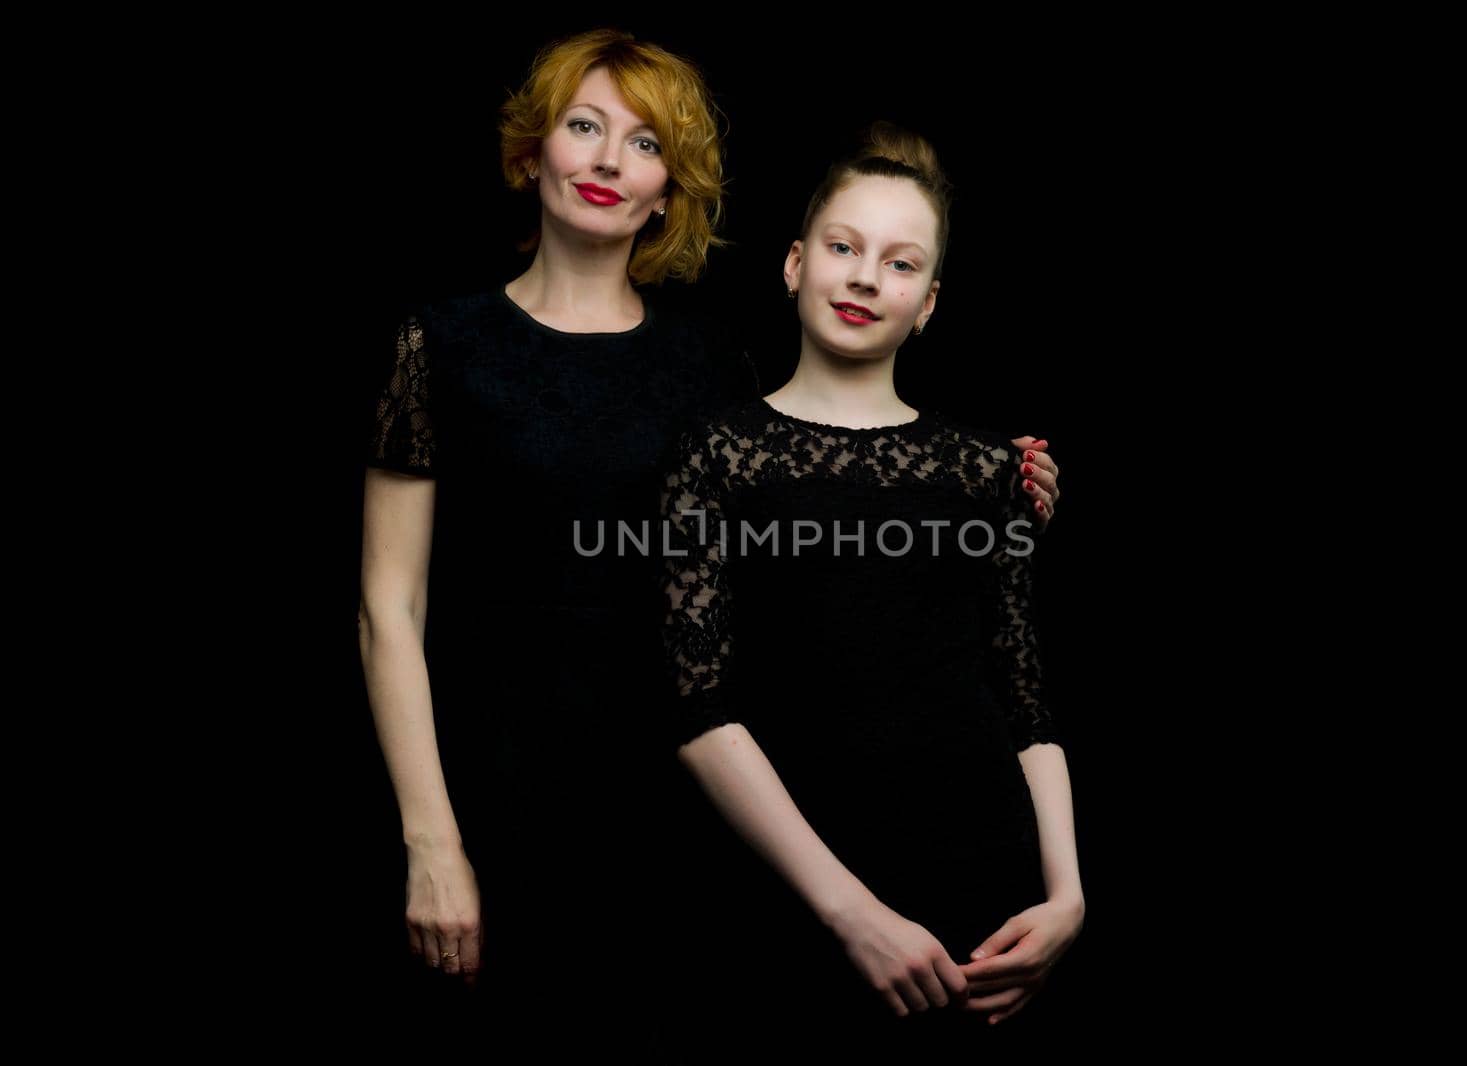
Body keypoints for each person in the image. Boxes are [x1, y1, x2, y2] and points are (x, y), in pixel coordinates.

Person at [357, 29, 1062, 1030]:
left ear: (669, 188)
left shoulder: (710, 362)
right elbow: (389, 605)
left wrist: (1007, 485)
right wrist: (431, 840)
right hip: (500, 789)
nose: (608, 161)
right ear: (533, 150)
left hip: (698, 814)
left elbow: (836, 508)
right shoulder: (443, 344)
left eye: (644, 144)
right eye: (585, 127)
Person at [658, 122, 1085, 1045]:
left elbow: (1025, 701)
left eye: (898, 264)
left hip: (984, 900)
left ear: (928, 304)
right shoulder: (717, 450)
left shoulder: (982, 469)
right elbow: (698, 709)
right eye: (844, 249)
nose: (862, 278)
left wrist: (1068, 896)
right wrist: (849, 912)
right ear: (794, 263)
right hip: (800, 897)